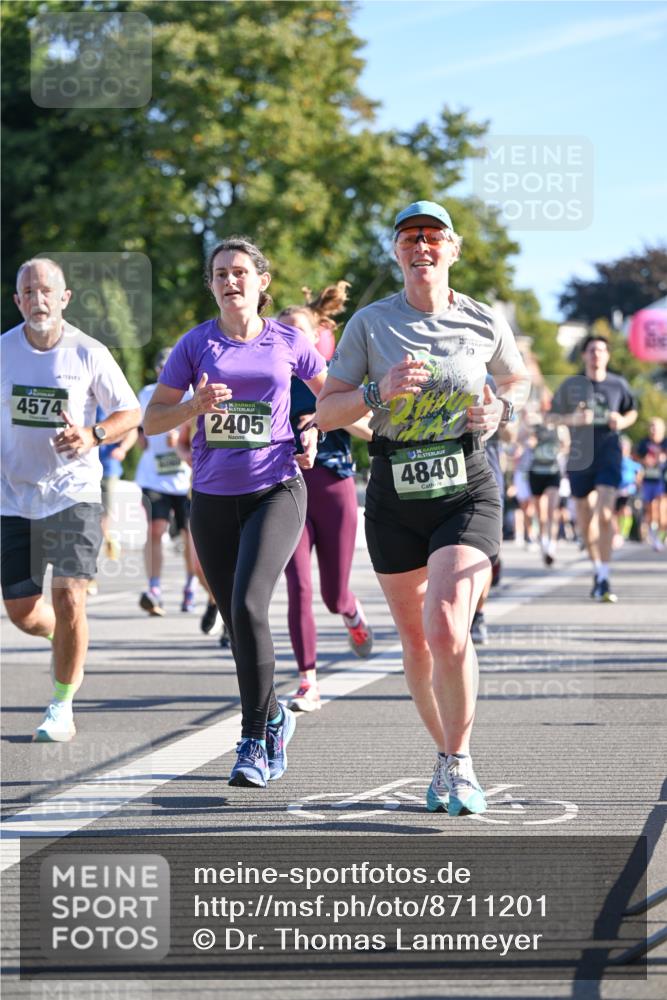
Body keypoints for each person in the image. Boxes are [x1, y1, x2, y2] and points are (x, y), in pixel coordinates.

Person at [316, 201, 530, 816]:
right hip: (394, 489)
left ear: (452, 249)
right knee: (416, 641)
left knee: (446, 625)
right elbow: (326, 412)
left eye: (433, 237)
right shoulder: (370, 324)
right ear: (396, 252)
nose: (422, 247)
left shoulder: (482, 320)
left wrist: (501, 409)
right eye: (409, 238)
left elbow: (516, 381)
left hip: (465, 484)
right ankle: (445, 756)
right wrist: (374, 392)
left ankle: (459, 761)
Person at [143, 236, 327, 787]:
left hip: (276, 488)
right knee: (237, 621)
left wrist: (314, 428)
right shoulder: (195, 343)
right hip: (212, 498)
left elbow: (332, 395)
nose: (230, 281)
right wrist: (192, 406)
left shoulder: (289, 340)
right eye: (220, 273)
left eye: (240, 271)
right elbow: (151, 420)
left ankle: (253, 739)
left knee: (249, 605)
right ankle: (276, 715)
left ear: (262, 281)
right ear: (211, 285)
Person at [1, 258, 140, 741]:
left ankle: (61, 705)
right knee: (22, 612)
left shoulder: (88, 352)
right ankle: (63, 638)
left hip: (72, 493)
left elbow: (130, 411)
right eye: (28, 292)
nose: (37, 299)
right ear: (17, 301)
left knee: (68, 595)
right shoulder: (3, 351)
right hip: (13, 498)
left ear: (64, 298)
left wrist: (92, 433)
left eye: (46, 290)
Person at [277, 291, 373, 712]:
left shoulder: (335, 379)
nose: (290, 340)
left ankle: (351, 612)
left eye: (297, 332)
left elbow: (372, 430)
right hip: (285, 490)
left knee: (333, 595)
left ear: (316, 336)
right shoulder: (269, 380)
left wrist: (327, 417)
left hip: (333, 486)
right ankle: (307, 681)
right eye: (282, 333)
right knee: (298, 586)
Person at [550, 334, 637, 602]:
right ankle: (597, 569)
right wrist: (574, 419)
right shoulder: (572, 385)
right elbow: (551, 416)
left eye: (601, 350)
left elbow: (632, 411)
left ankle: (604, 576)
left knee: (605, 514)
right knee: (585, 520)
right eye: (591, 350)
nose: (596, 354)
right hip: (580, 456)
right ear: (584, 355)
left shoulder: (618, 384)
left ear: (607, 355)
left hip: (609, 454)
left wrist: (621, 421)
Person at [136, 348, 197, 616]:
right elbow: (139, 428)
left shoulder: (193, 394)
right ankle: (154, 589)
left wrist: (181, 442)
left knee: (190, 535)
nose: (165, 373)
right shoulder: (147, 394)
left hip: (186, 480)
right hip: (153, 477)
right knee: (155, 530)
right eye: (161, 369)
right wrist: (140, 439)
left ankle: (191, 584)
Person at [86, 405, 138, 595]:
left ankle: (91, 569)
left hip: (108, 468)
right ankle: (89, 570)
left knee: (101, 518)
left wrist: (122, 449)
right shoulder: (83, 400)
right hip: (84, 469)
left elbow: (132, 429)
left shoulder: (112, 401)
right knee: (88, 520)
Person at [528, 402, 569, 567]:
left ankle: (552, 546)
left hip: (553, 471)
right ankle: (544, 542)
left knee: (553, 510)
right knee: (541, 513)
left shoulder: (560, 427)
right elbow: (526, 439)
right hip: (536, 471)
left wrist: (558, 448)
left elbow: (566, 445)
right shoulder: (535, 426)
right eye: (544, 411)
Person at [633, 417, 666, 551]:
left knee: (662, 509)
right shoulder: (644, 443)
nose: (653, 430)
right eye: (651, 426)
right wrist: (644, 461)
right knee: (651, 509)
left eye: (656, 427)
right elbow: (636, 457)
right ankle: (655, 537)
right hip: (648, 481)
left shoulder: (665, 443)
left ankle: (662, 536)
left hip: (663, 481)